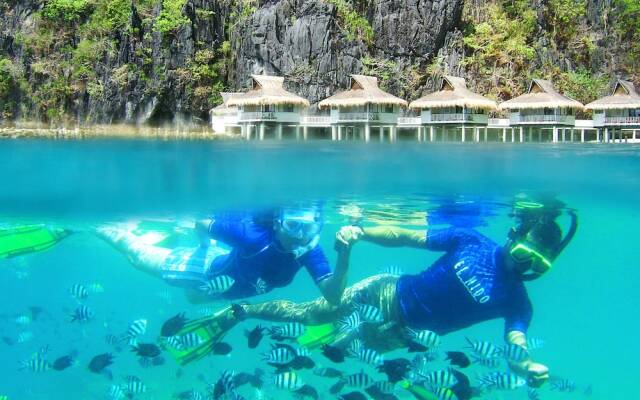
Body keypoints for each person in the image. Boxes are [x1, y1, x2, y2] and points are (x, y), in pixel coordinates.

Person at [178, 203, 577, 388]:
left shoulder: (518, 302)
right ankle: (242, 310)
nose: (524, 269)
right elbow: (404, 234)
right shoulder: (471, 240)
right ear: (515, 237)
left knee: (342, 351)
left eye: (536, 266)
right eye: (525, 255)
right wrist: (363, 231)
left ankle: (313, 346)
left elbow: (516, 339)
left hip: (403, 338)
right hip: (386, 293)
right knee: (316, 312)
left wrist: (524, 366)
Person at [97, 206, 349, 304]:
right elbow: (201, 220)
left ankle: (155, 242)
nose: (299, 234)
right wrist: (204, 247)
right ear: (277, 222)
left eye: (309, 227)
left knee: (194, 300)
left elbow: (333, 296)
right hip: (204, 270)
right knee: (137, 257)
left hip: (223, 285)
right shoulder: (251, 236)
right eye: (293, 225)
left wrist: (344, 255)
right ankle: (101, 227)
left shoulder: (310, 251)